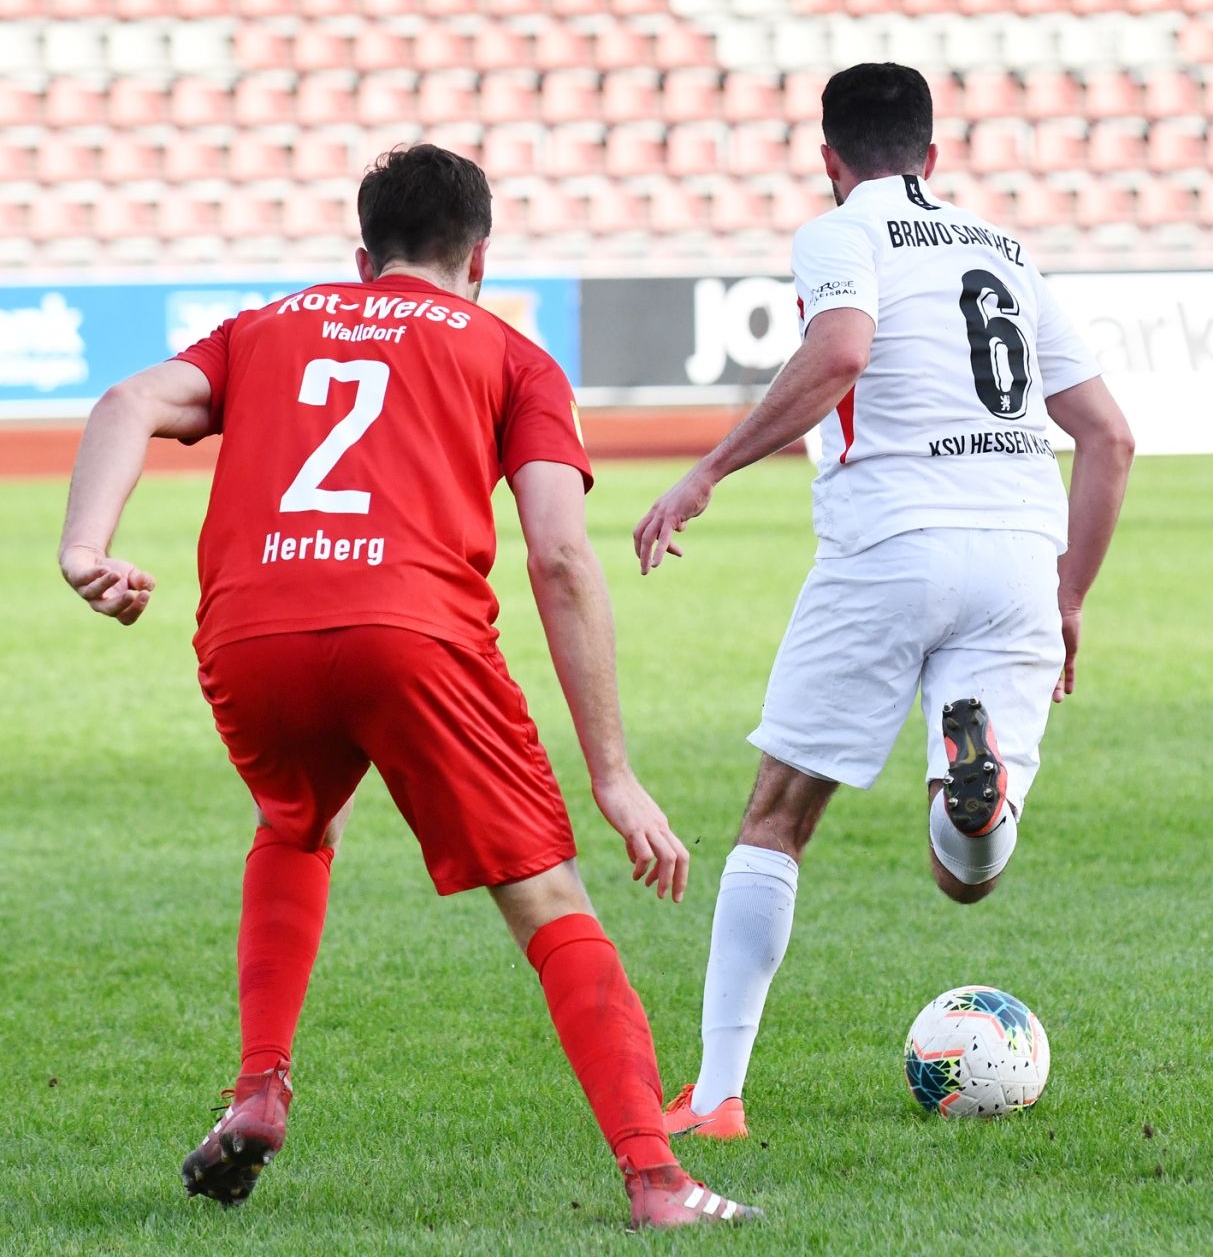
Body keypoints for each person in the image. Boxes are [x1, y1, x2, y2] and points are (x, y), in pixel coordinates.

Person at [56, 145, 757, 1229]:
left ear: (362, 256)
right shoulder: (512, 355)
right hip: (411, 636)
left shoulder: (263, 326)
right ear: (480, 260)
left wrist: (85, 549)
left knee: (295, 823)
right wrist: (613, 774)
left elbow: (125, 399)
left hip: (251, 631)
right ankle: (658, 1180)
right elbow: (561, 558)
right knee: (546, 898)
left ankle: (259, 1086)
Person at [633, 63, 1134, 1139]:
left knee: (777, 815)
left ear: (829, 157)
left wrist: (708, 470)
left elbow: (842, 349)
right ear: (932, 154)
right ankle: (975, 796)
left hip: (892, 541)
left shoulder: (838, 232)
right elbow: (1109, 436)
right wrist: (1072, 595)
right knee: (965, 877)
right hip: (1020, 551)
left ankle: (716, 1098)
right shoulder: (1005, 249)